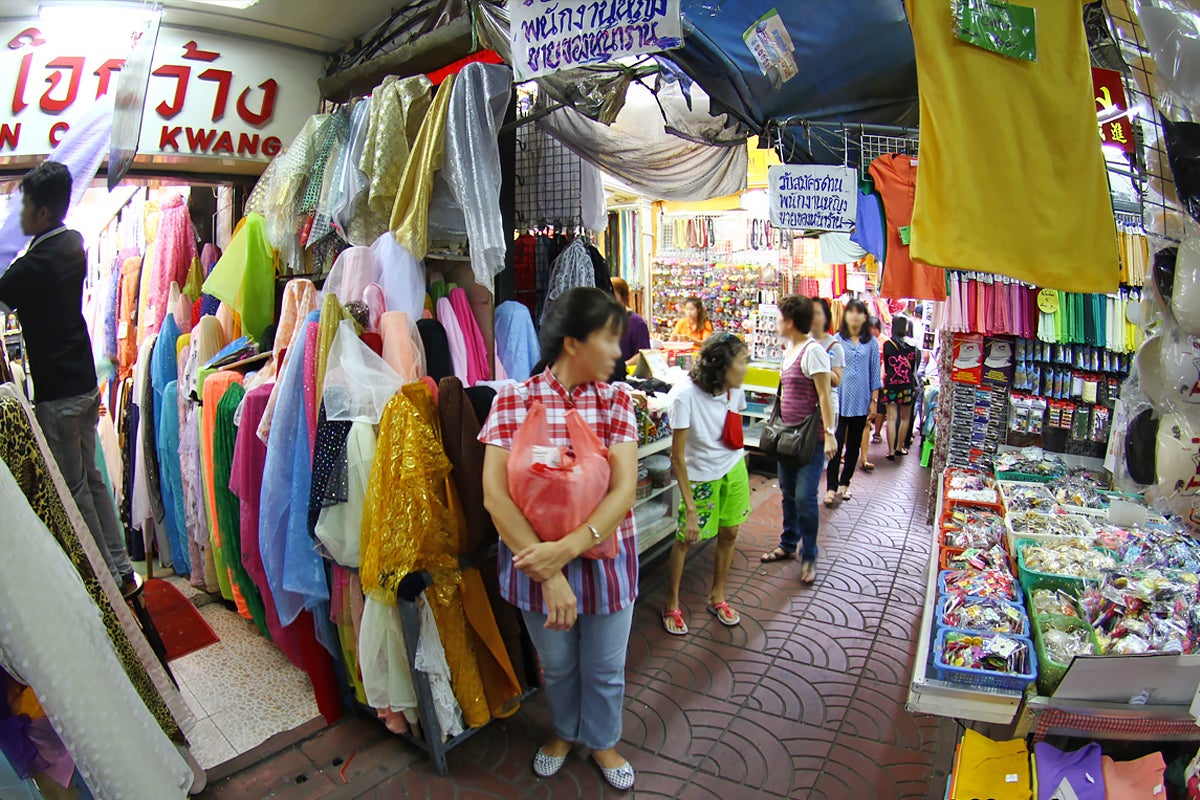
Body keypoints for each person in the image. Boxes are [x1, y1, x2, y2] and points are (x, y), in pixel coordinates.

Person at [480, 286, 639, 791]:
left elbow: (624, 490)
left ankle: (603, 738)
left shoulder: (616, 401)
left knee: (606, 666)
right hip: (534, 563)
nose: (618, 352)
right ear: (573, 343)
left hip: (603, 559)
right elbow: (495, 498)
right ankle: (567, 732)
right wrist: (548, 573)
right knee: (558, 663)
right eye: (609, 340)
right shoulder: (513, 399)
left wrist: (564, 553)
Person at [0, 161, 135, 593]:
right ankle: (120, 569)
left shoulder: (35, 263)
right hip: (81, 382)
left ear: (41, 213)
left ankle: (101, 580)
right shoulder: (73, 244)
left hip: (58, 391)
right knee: (92, 479)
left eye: (24, 207)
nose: (19, 216)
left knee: (74, 489)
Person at [663, 333, 751, 635]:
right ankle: (671, 603)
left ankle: (718, 596)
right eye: (741, 362)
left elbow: (731, 428)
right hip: (699, 476)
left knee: (730, 532)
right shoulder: (684, 395)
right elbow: (677, 458)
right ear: (721, 365)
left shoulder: (734, 389)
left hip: (732, 467)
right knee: (686, 539)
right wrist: (689, 508)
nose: (746, 368)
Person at [760, 296, 838, 584]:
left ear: (790, 321)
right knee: (788, 493)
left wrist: (829, 435)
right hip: (786, 437)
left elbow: (824, 395)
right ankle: (788, 543)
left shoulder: (813, 352)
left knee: (806, 498)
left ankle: (810, 554)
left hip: (809, 440)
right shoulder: (788, 350)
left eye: (779, 317)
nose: (777, 322)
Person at [826, 299, 882, 503]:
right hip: (839, 401)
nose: (855, 316)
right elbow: (829, 370)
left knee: (854, 446)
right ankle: (830, 488)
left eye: (859, 312)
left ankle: (845, 483)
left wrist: (874, 401)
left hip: (862, 401)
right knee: (835, 445)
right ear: (845, 315)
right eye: (851, 312)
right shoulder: (836, 340)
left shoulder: (872, 343)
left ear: (865, 317)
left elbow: (875, 373)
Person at [811, 298, 845, 507]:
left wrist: (819, 366)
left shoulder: (834, 346)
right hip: (806, 405)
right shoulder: (801, 342)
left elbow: (837, 379)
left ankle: (828, 488)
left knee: (823, 451)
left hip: (827, 405)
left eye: (816, 313)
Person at [883, 315, 919, 461]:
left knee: (891, 418)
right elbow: (914, 368)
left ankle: (890, 451)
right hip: (907, 385)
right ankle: (899, 448)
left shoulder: (888, 344)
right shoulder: (912, 346)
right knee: (905, 418)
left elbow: (886, 365)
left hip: (891, 384)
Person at [611, 276, 650, 364]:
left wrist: (624, 366)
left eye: (612, 295)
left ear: (623, 297)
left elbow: (643, 353)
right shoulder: (605, 321)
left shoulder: (637, 322)